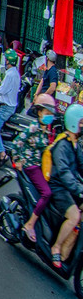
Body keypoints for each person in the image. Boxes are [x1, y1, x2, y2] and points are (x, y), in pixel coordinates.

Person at [11, 94, 57, 242]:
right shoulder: (34, 127)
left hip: (41, 167)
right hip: (31, 166)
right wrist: (17, 160)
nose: (49, 116)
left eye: (51, 114)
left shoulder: (46, 130)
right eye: (46, 113)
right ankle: (30, 224)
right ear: (39, 112)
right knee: (47, 194)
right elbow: (17, 142)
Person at [45, 103, 83, 269]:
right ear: (74, 122)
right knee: (75, 216)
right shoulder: (63, 145)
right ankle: (57, 246)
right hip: (58, 187)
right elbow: (64, 173)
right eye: (81, 122)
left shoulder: (75, 143)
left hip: (69, 186)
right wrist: (79, 189)